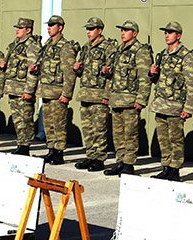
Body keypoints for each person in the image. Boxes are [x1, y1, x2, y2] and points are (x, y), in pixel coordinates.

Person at [148, 21, 193, 181]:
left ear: (179, 35)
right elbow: (158, 80)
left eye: (170, 33)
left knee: (175, 139)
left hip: (176, 106)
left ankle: (174, 169)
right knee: (163, 139)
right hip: (161, 104)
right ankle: (166, 167)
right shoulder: (162, 55)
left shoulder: (186, 56)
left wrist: (189, 108)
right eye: (165, 32)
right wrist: (152, 73)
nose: (166, 35)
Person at [103, 20, 151, 176]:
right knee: (118, 134)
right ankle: (120, 161)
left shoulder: (140, 51)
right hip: (117, 98)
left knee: (130, 133)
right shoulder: (119, 50)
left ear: (135, 33)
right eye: (121, 30)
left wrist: (141, 99)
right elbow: (114, 77)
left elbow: (145, 77)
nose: (122, 33)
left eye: (126, 30)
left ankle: (129, 164)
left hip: (130, 100)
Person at [73, 18, 116, 172]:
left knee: (99, 129)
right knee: (87, 128)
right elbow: (81, 71)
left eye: (91, 29)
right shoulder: (85, 48)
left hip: (99, 96)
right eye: (87, 29)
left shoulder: (108, 48)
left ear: (100, 30)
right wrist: (77, 68)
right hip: (85, 94)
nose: (88, 32)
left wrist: (107, 95)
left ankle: (99, 159)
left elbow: (112, 74)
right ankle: (90, 155)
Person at [35, 15, 77, 165]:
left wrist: (66, 93)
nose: (49, 27)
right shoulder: (48, 45)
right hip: (46, 91)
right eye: (48, 25)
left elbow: (69, 73)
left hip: (58, 93)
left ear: (60, 27)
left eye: (52, 25)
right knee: (48, 123)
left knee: (59, 123)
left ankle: (59, 153)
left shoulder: (65, 47)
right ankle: (51, 149)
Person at [3, 17, 41, 155]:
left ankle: (25, 146)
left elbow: (33, 71)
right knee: (18, 120)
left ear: (28, 30)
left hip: (23, 89)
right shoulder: (16, 44)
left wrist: (29, 90)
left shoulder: (32, 46)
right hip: (13, 88)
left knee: (25, 119)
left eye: (20, 28)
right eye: (17, 28)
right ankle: (21, 143)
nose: (17, 30)